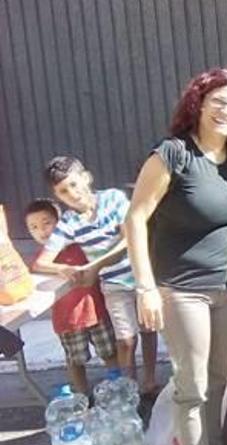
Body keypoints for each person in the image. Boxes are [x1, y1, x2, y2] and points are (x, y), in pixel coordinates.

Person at [126, 68, 227, 445]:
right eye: (219, 102)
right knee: (194, 387)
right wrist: (145, 286)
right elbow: (134, 218)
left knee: (218, 381)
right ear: (198, 104)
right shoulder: (172, 154)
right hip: (182, 288)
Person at [33, 157, 159, 399]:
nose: (72, 193)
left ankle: (150, 381)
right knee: (126, 339)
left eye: (73, 184)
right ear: (57, 195)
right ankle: (129, 394)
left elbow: (128, 240)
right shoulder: (69, 222)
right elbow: (41, 262)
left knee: (148, 329)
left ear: (86, 178)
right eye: (63, 191)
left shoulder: (113, 198)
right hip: (113, 285)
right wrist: (62, 269)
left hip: (142, 276)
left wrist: (94, 265)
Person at [25, 199, 117, 394]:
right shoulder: (44, 257)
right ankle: (82, 396)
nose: (42, 231)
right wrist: (62, 268)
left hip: (96, 311)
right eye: (34, 227)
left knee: (110, 352)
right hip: (67, 320)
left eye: (47, 223)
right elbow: (36, 266)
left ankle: (118, 388)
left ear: (61, 224)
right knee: (76, 360)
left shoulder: (79, 246)